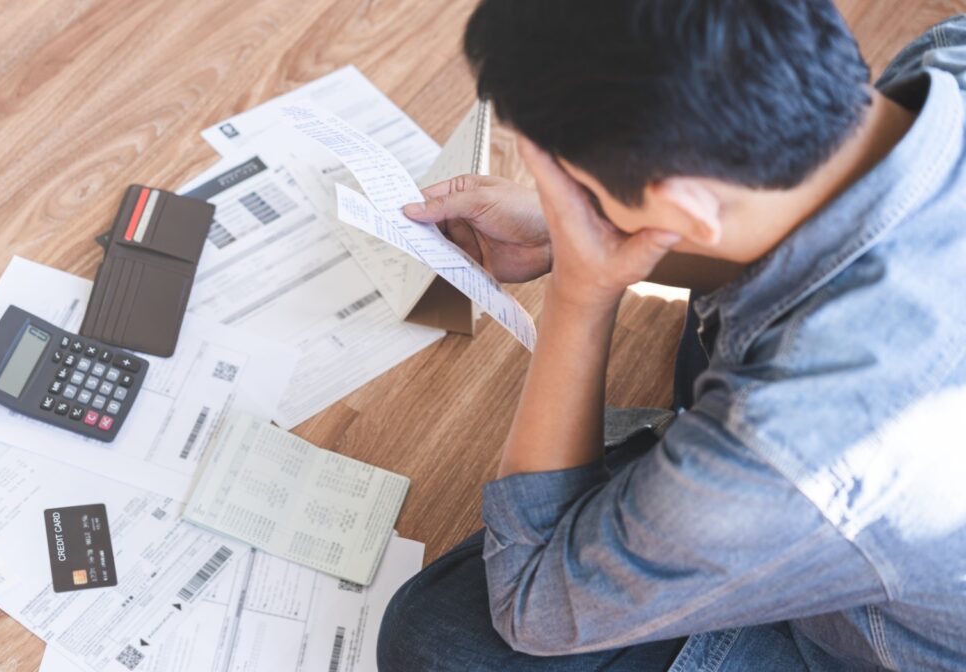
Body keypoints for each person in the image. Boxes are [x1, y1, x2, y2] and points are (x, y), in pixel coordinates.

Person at [377, 1, 966, 670]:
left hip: (865, 624)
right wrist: (570, 224)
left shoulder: (787, 444)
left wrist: (581, 284)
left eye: (584, 190)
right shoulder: (949, 55)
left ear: (689, 208)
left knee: (439, 641)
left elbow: (531, 602)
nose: (578, 206)